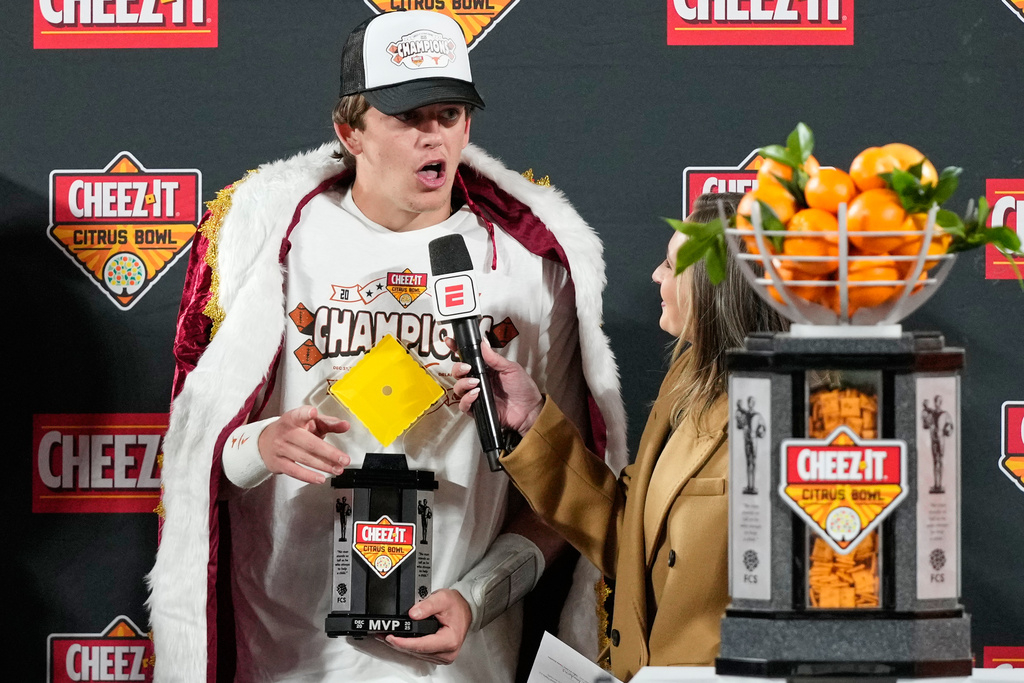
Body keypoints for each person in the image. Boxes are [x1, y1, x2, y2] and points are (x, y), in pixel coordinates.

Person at [146, 10, 627, 683]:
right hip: (287, 654)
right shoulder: (276, 244)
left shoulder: (530, 268)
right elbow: (200, 463)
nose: (435, 134)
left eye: (451, 113)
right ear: (350, 130)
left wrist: (476, 596)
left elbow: (562, 499)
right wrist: (260, 444)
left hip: (453, 662)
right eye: (409, 116)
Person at [451, 192, 788, 681]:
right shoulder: (689, 378)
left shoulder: (800, 413)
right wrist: (531, 422)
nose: (656, 276)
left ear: (718, 284)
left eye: (672, 265)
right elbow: (629, 537)